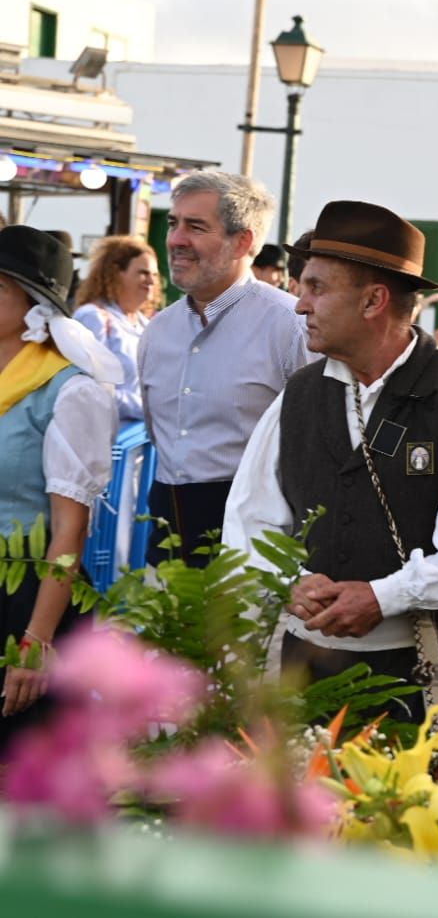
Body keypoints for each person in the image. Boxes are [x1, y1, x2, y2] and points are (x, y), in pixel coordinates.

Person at [223, 201, 438, 743]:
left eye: (315, 288)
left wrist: (384, 597)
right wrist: (289, 581)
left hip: (417, 672)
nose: (299, 305)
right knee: (303, 819)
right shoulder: (300, 395)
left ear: (373, 300)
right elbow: (248, 523)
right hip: (303, 666)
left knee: (412, 820)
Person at [138, 172, 309, 567]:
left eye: (196, 227)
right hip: (166, 546)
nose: (176, 240)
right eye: (173, 223)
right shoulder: (158, 331)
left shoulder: (290, 325)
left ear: (243, 241)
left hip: (258, 554)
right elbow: (159, 439)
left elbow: (319, 445)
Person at [0, 227, 118, 745]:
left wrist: (36, 641)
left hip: (25, 599)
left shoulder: (69, 391)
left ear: (34, 307)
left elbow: (70, 531)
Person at [73, 236, 160, 425]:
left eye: (154, 274)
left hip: (142, 444)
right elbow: (87, 389)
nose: (151, 281)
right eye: (143, 273)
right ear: (116, 273)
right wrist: (148, 407)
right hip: (105, 443)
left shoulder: (146, 325)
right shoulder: (94, 317)